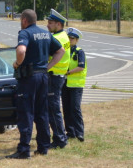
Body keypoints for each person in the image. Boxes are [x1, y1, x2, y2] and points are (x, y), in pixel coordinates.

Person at [6, 9, 56, 159]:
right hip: (43, 76)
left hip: (28, 78)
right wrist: (47, 67)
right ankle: (43, 147)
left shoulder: (25, 33)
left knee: (26, 112)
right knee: (42, 112)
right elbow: (60, 51)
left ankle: (23, 149)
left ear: (24, 20)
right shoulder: (45, 33)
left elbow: (21, 51)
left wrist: (16, 63)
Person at [45, 9, 71, 149]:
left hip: (54, 76)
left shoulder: (57, 38)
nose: (47, 25)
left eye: (50, 23)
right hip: (58, 76)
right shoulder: (63, 36)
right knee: (54, 108)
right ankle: (60, 137)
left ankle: (59, 140)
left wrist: (47, 67)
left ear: (59, 24)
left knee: (53, 109)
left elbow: (53, 55)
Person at [63, 27, 87, 141]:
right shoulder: (65, 48)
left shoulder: (79, 51)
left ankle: (79, 132)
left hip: (76, 84)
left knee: (75, 108)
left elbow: (81, 67)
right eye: (68, 37)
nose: (70, 39)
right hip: (65, 83)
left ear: (76, 40)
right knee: (66, 108)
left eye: (72, 38)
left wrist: (68, 72)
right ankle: (70, 132)